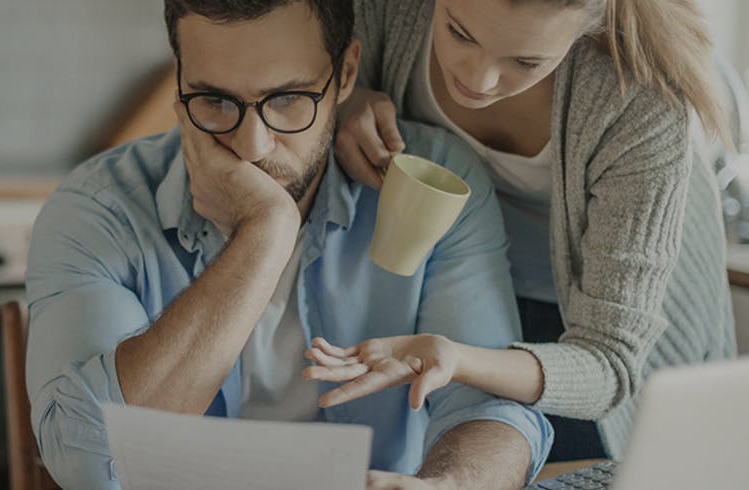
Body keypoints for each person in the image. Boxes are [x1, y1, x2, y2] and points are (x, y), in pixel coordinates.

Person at [25, 1, 553, 489]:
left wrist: (450, 486)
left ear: (346, 74)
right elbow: (88, 462)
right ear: (179, 78)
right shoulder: (100, 208)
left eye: (287, 100)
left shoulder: (433, 187)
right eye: (213, 100)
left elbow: (489, 407)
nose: (252, 146)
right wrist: (265, 233)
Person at [303, 0, 737, 462]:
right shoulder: (391, 9)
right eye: (460, 33)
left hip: (591, 324)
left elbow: (608, 362)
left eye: (526, 61)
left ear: (590, 25)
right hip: (461, 276)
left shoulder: (640, 101)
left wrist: (459, 358)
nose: (478, 79)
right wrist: (346, 98)